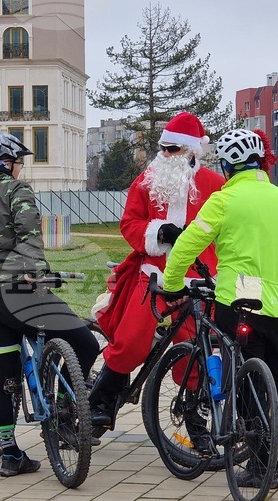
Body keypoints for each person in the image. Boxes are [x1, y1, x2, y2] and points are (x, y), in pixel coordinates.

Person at [163, 128, 278, 484]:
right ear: (261, 163)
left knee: (246, 384)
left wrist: (171, 285)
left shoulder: (224, 200)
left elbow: (187, 244)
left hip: (241, 304)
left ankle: (260, 468)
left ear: (228, 167)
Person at [0, 132, 100, 478]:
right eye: (17, 162)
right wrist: (32, 271)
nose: (19, 169)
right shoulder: (16, 192)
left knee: (1, 375)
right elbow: (29, 234)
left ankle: (10, 454)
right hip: (22, 294)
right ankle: (64, 406)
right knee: (85, 342)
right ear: (5, 163)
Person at [88, 112, 225, 447]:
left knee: (195, 348)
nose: (166, 154)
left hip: (197, 279)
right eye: (163, 148)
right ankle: (100, 402)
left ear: (192, 150)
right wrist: (157, 232)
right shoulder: (147, 181)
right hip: (154, 277)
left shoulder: (213, 185)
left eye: (174, 149)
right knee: (132, 339)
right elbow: (129, 223)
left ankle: (194, 422)